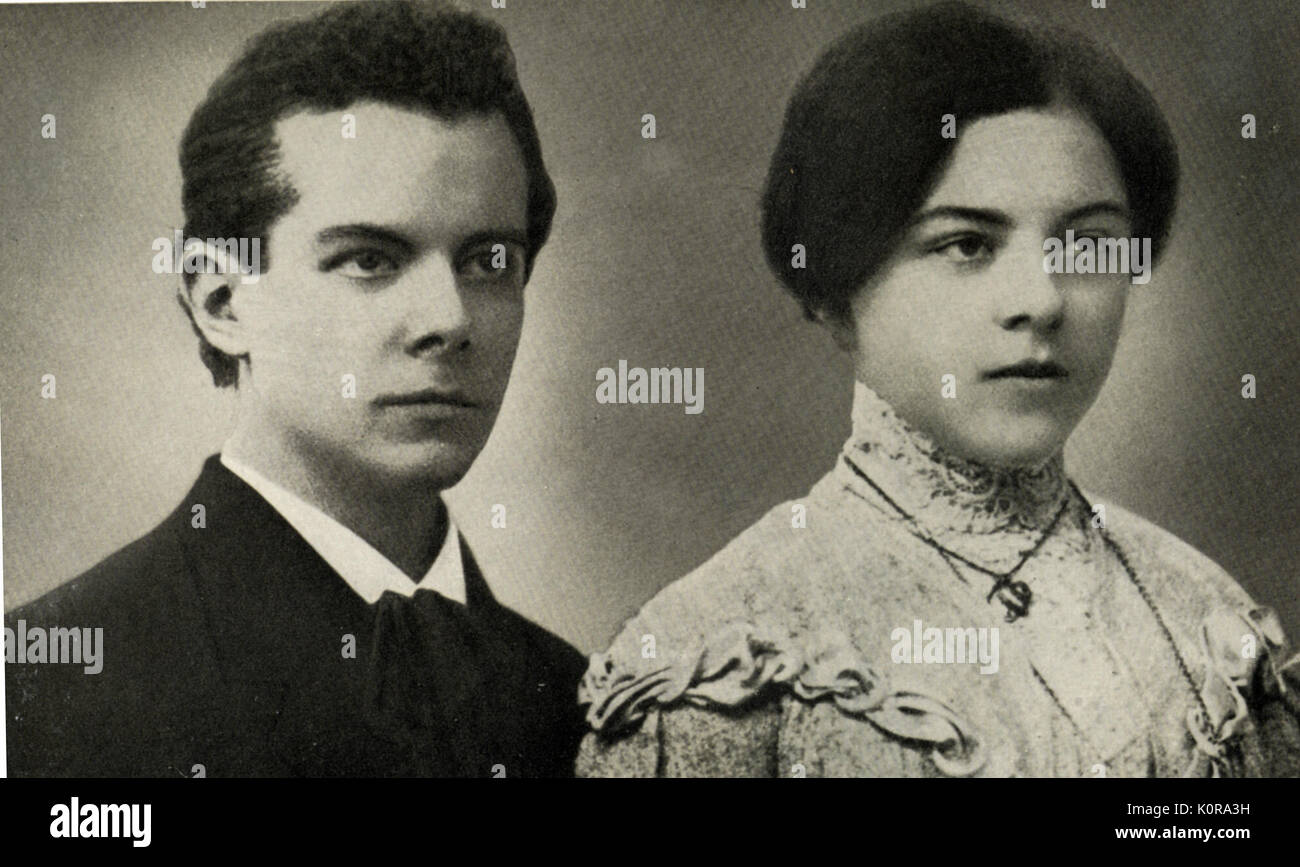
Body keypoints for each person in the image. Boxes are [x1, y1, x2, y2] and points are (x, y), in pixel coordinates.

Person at [577, 1, 1300, 777]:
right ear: (837, 287)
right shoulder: (722, 654)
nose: (1043, 300)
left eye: (1089, 245)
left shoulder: (1207, 620)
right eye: (966, 244)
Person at [5, 0, 586, 778]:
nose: (449, 321)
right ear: (222, 303)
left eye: (489, 261)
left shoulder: (580, 700)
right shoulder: (42, 688)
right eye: (370, 260)